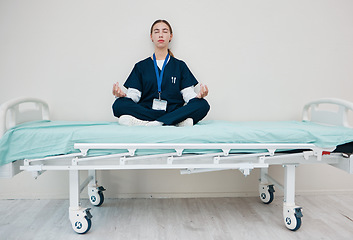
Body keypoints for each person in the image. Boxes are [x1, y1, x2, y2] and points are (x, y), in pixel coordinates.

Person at [112, 19, 210, 127]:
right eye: (156, 31)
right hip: (148, 110)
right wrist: (122, 96)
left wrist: (198, 96)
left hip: (173, 110)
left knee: (203, 105)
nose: (160, 35)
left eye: (165, 31)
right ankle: (175, 121)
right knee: (118, 105)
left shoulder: (180, 66)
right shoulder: (140, 66)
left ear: (170, 36)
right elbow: (134, 96)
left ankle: (155, 122)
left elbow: (188, 95)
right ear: (151, 37)